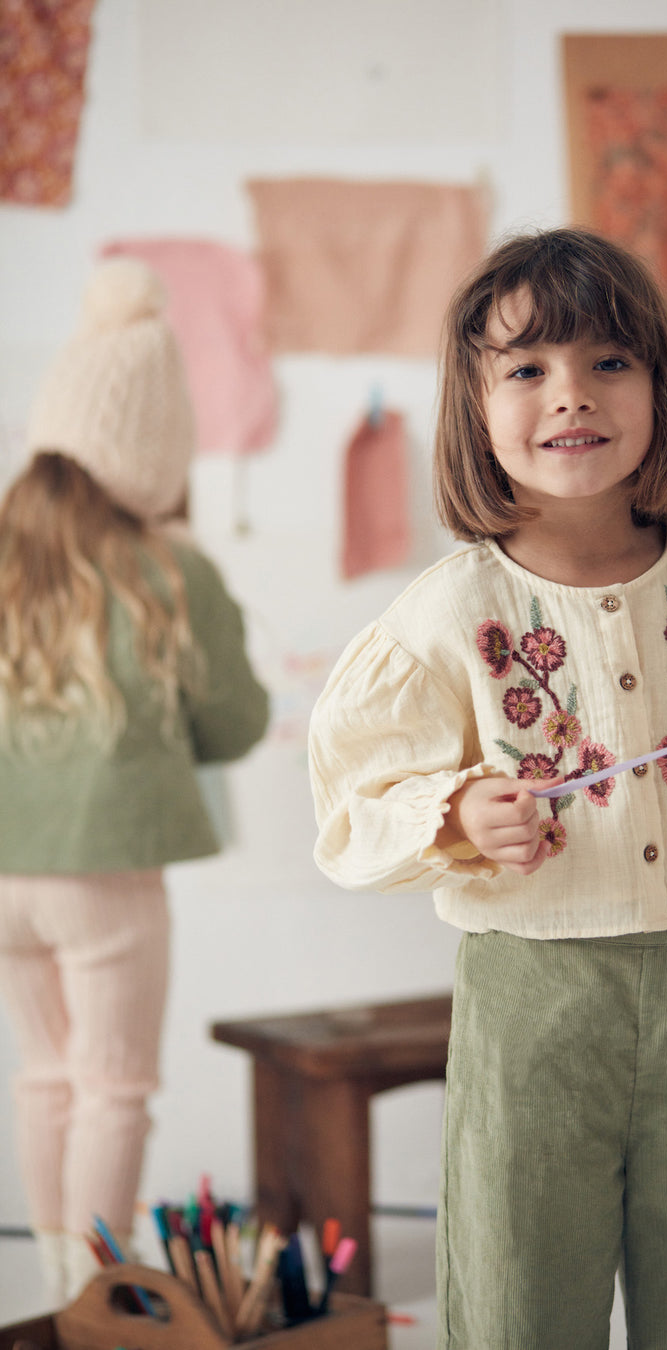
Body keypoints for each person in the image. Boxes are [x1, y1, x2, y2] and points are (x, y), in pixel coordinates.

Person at [308, 228, 667, 1349]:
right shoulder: (443, 616)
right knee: (520, 1286)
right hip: (531, 1002)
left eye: (608, 362)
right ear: (475, 410)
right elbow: (352, 810)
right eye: (527, 369)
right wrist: (454, 815)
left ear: (662, 385)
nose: (570, 396)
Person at [0, 258, 269, 1305]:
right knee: (115, 1088)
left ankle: (48, 1283)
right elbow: (237, 721)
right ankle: (92, 1296)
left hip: (2, 874)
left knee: (45, 1075)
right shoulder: (169, 570)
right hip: (106, 877)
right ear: (157, 455)